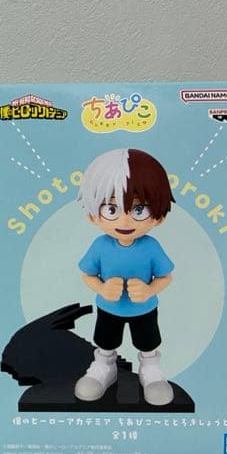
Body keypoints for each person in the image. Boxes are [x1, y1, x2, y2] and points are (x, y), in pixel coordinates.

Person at [75, 148, 176, 405]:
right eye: (111, 208)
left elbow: (166, 276)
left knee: (147, 341)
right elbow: (87, 274)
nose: (125, 220)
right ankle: (104, 366)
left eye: (139, 209)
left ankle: (151, 369)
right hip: (109, 308)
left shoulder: (151, 247)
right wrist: (101, 288)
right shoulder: (100, 246)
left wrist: (149, 290)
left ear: (159, 215)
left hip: (144, 309)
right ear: (92, 214)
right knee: (105, 340)